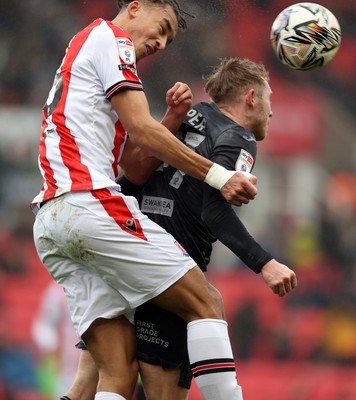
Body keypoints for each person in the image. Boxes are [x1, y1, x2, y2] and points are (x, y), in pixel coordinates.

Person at [31, 1, 259, 400]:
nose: (161, 41)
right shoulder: (111, 38)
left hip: (52, 220)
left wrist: (170, 117)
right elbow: (142, 129)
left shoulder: (86, 48)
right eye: (162, 26)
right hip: (88, 204)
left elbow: (134, 167)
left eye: (169, 38)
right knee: (205, 302)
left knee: (116, 373)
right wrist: (219, 175)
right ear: (135, 8)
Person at [59, 57, 298, 400]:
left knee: (92, 386)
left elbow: (134, 174)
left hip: (118, 252)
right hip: (167, 272)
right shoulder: (238, 138)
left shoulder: (185, 113)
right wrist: (265, 263)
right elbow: (214, 211)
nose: (272, 112)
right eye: (269, 99)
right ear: (251, 97)